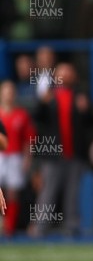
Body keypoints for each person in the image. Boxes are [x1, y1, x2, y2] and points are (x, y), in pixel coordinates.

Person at [29, 62, 93, 238]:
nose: (65, 75)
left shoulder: (80, 96)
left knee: (72, 194)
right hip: (52, 155)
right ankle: (40, 228)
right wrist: (42, 103)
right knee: (48, 191)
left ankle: (71, 227)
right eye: (62, 71)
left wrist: (87, 110)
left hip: (75, 154)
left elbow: (91, 123)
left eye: (69, 71)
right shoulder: (48, 97)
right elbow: (35, 118)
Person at [0, 81, 35, 237]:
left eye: (11, 91)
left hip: (15, 157)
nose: (8, 95)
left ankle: (9, 227)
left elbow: (29, 139)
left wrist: (27, 158)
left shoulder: (22, 115)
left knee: (13, 193)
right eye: (6, 91)